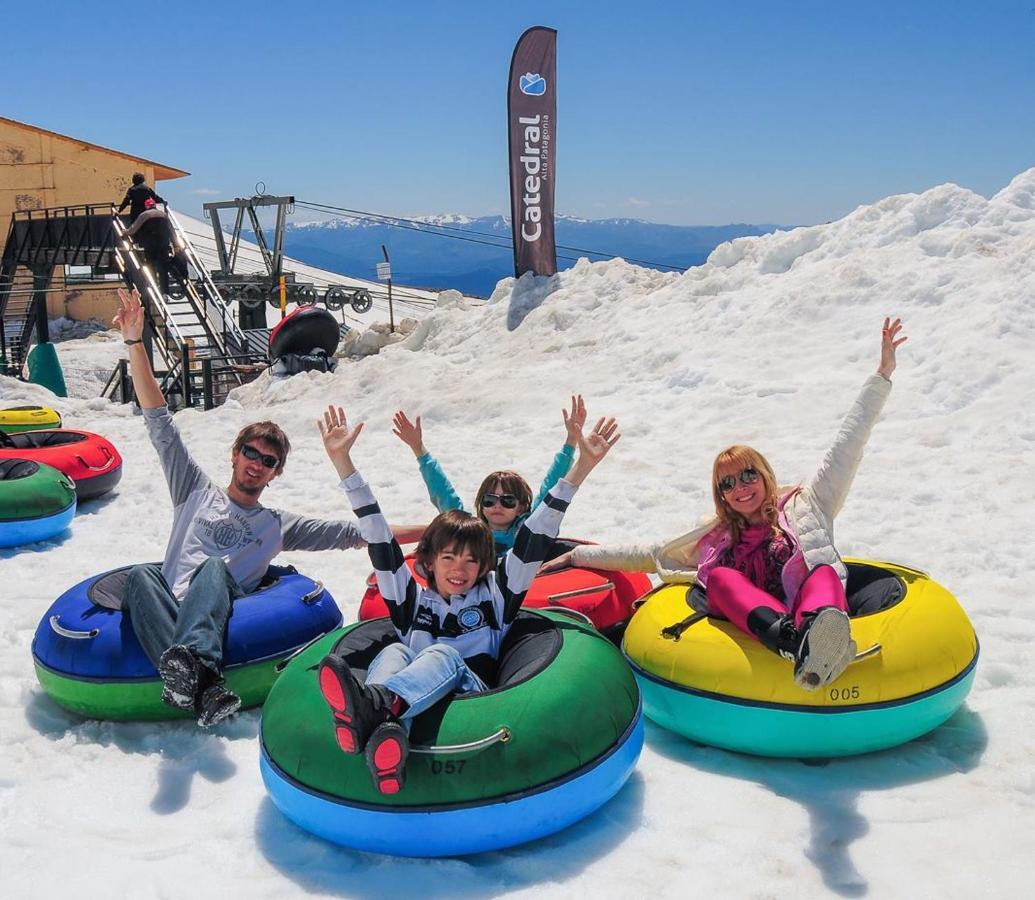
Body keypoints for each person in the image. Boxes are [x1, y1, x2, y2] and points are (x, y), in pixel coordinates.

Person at [111, 287, 423, 727]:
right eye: (251, 454)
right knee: (141, 575)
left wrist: (435, 528)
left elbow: (359, 533)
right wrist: (134, 342)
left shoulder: (278, 525)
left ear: (276, 473)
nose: (257, 465)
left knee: (214, 569)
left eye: (268, 461)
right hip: (168, 608)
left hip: (217, 614)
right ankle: (202, 688)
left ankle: (194, 667)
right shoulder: (193, 490)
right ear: (235, 455)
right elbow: (158, 419)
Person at [544, 318, 908, 691]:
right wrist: (576, 556)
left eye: (748, 474)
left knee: (825, 574)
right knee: (720, 577)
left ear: (765, 475)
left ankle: (822, 635)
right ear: (722, 495)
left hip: (810, 606)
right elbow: (643, 553)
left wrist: (881, 376)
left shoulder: (808, 505)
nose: (741, 487)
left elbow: (848, 445)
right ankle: (795, 644)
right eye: (728, 483)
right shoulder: (713, 538)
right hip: (765, 625)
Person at [316, 403, 620, 794]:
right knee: (393, 654)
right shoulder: (410, 601)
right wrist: (344, 464)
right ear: (428, 560)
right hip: (408, 698)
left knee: (441, 654)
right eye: (448, 558)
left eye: (471, 560)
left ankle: (374, 704)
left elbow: (537, 533)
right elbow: (377, 535)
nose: (459, 569)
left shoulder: (496, 596)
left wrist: (580, 469)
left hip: (469, 695)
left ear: (484, 564)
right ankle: (385, 737)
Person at [391, 394, 586, 554]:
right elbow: (442, 492)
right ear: (481, 505)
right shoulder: (470, 530)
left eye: (508, 501)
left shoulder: (528, 528)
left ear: (520, 508)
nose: (497, 506)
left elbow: (552, 488)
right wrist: (418, 448)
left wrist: (571, 441)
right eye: (489, 500)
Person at [123, 198, 175, 295]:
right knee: (163, 268)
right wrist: (175, 245)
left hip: (149, 245)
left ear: (146, 206)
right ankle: (165, 293)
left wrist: (125, 232)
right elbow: (171, 231)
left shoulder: (144, 215)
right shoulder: (164, 215)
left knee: (151, 266)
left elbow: (133, 229)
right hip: (163, 245)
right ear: (155, 205)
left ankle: (154, 286)